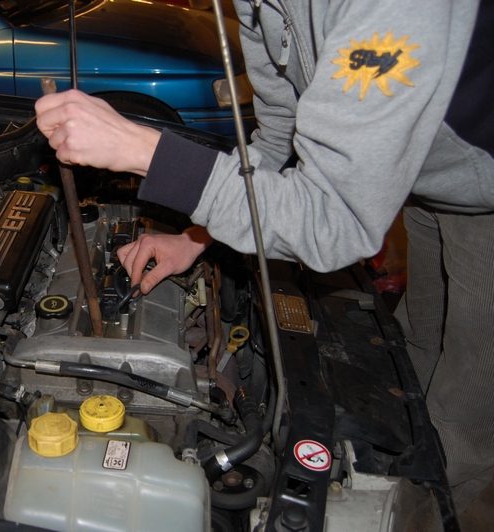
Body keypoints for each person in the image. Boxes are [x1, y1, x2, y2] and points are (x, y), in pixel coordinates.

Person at [35, 0, 493, 513]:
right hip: (425, 173)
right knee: (417, 343)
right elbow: (277, 141)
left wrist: (147, 151)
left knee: (465, 410)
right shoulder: (257, 6)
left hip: (484, 182)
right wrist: (197, 236)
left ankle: (421, 509)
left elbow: (334, 222)